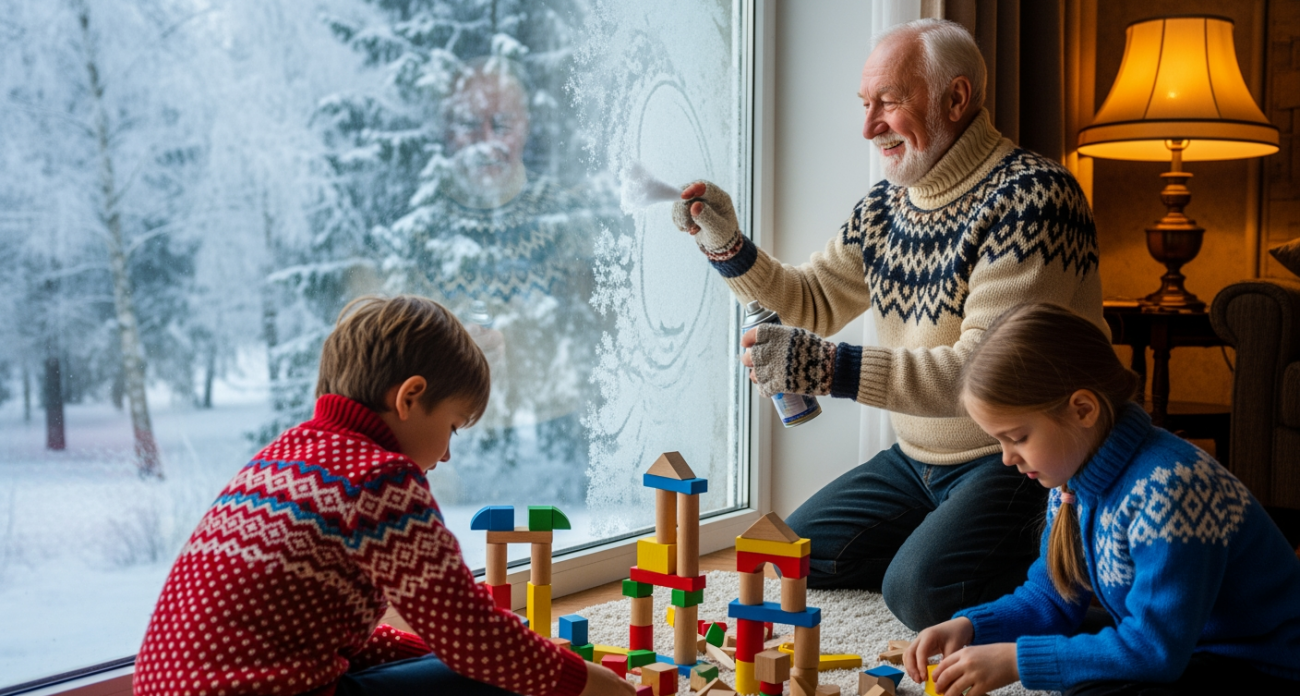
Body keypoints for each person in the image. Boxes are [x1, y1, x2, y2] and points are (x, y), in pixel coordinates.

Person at [672, 18, 1103, 629]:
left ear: (957, 98)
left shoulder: (1033, 198)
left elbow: (984, 374)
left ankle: (1064, 566)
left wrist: (825, 367)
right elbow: (812, 297)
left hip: (1015, 455)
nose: (869, 126)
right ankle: (949, 548)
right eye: (865, 103)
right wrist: (726, 243)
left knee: (918, 595)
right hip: (916, 456)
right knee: (797, 556)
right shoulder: (886, 205)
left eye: (890, 103)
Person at [133, 295, 633, 696]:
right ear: (410, 397)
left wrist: (420, 649)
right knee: (502, 680)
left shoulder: (286, 456)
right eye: (453, 428)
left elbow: (315, 635)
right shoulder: (378, 479)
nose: (446, 455)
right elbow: (473, 638)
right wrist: (583, 682)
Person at [904, 302, 1300, 696]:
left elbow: (1155, 651)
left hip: (1260, 663)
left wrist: (1016, 661)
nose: (1007, 458)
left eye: (1018, 437)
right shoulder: (1069, 481)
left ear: (1083, 410)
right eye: (1000, 442)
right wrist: (971, 627)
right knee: (1086, 666)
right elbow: (1052, 599)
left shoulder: (1171, 489)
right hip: (1182, 644)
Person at [383, 54, 612, 506]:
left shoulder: (568, 222)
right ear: (449, 133)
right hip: (452, 466)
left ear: (524, 126)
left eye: (501, 124)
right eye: (470, 124)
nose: (486, 142)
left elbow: (600, 340)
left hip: (564, 464)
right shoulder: (416, 236)